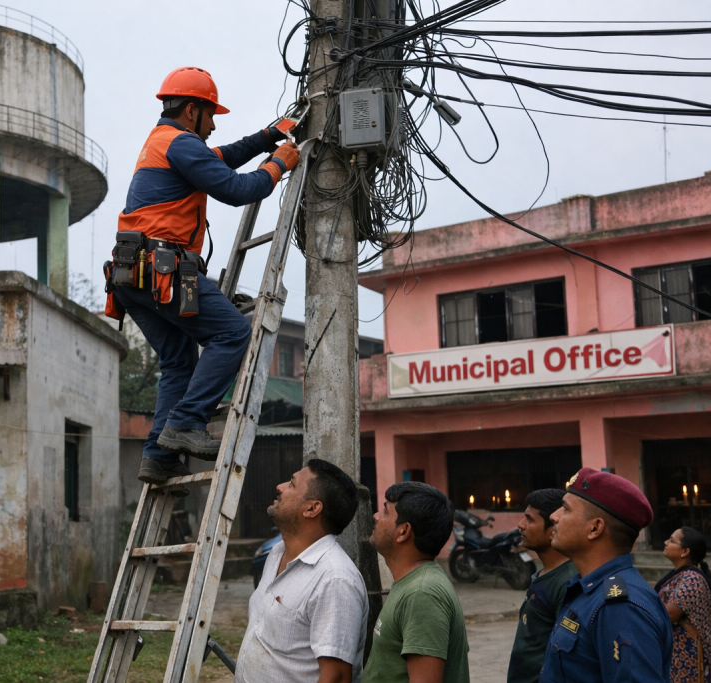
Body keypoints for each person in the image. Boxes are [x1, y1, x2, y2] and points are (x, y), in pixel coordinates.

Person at [107, 66, 300, 489]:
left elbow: (223, 156)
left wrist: (268, 136)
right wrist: (278, 164)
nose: (213, 125)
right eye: (210, 115)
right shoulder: (180, 144)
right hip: (160, 269)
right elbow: (236, 189)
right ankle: (186, 423)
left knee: (179, 361)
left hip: (131, 276)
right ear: (192, 111)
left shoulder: (165, 143)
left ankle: (158, 457)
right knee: (232, 333)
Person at [234, 459, 368, 683]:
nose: (280, 487)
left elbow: (335, 678)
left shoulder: (335, 579)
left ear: (312, 508)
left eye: (292, 484)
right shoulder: (277, 552)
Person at [541, 467, 673, 683]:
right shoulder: (589, 590)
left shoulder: (620, 609)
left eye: (565, 509)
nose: (553, 516)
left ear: (595, 528)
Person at [363, 481, 470, 683]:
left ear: (403, 531)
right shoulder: (414, 583)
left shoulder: (422, 593)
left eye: (385, 511)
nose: (376, 516)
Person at [508, 489, 578, 683]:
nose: (521, 525)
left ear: (553, 528)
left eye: (530, 519)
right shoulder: (543, 574)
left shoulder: (567, 581)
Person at [656, 526, 711, 683]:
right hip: (680, 655)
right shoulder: (682, 574)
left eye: (671, 540)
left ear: (685, 552)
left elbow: (670, 614)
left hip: (691, 659)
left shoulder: (692, 578)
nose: (665, 542)